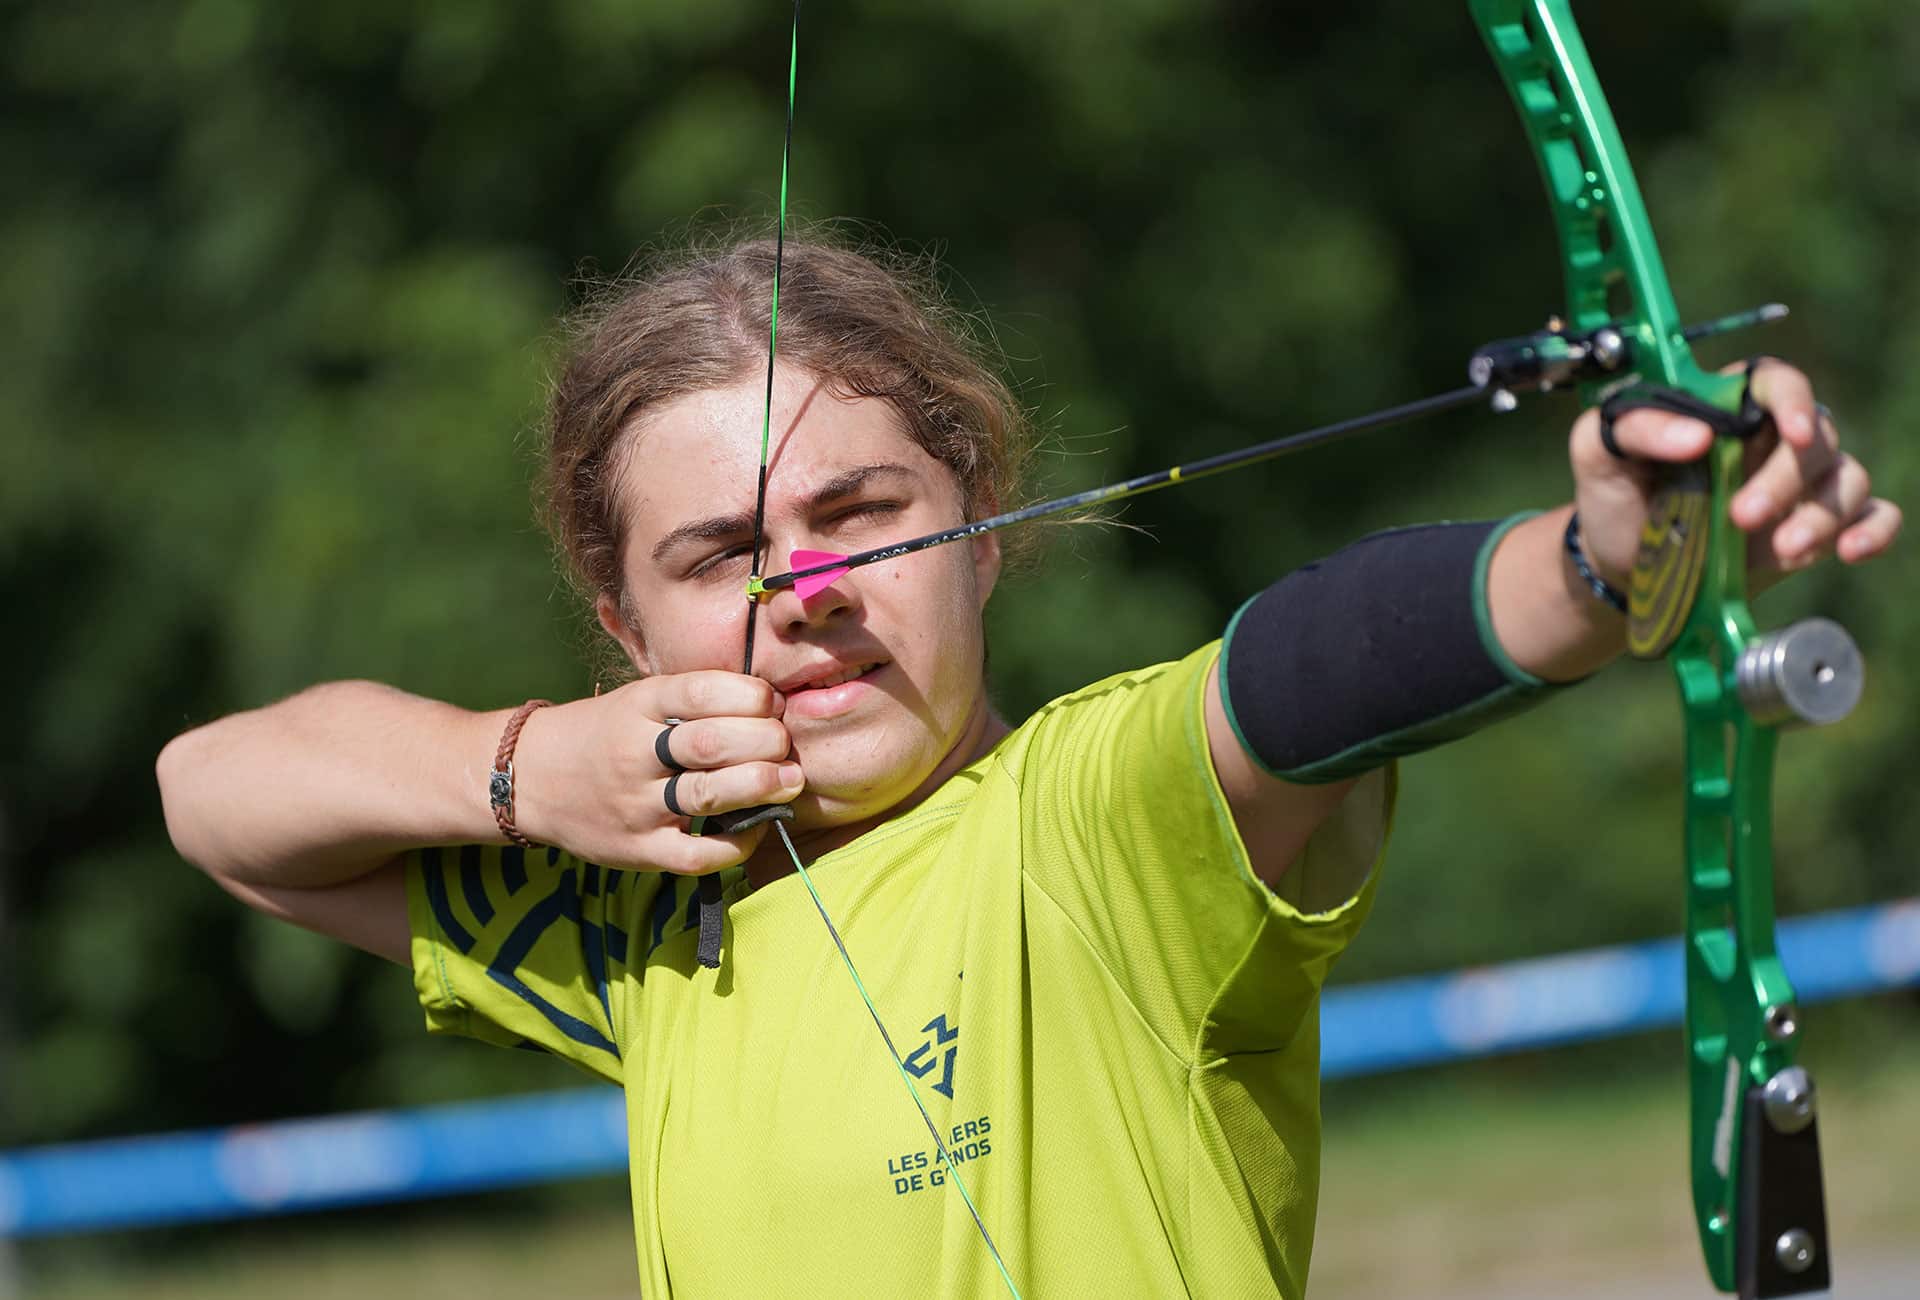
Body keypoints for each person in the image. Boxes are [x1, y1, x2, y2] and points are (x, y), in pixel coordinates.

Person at [155, 234, 1898, 1298]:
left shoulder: (1090, 824)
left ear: (983, 526)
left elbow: (1310, 675)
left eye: (862, 518)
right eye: (720, 561)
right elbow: (220, 798)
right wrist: (525, 773)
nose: (810, 603)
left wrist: (1599, 556)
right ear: (623, 625)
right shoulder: (638, 926)